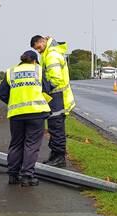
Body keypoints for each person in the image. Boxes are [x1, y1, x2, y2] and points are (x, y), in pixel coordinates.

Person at [0, 50, 53, 187]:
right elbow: (47, 89)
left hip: (16, 113)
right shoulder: (38, 70)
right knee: (31, 145)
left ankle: (13, 175)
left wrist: (12, 102)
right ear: (34, 60)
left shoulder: (11, 72)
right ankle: (27, 176)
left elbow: (1, 92)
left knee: (16, 144)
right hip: (36, 113)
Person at [31, 35, 76, 168]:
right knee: (54, 127)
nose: (38, 51)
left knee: (56, 128)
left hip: (57, 98)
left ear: (43, 41)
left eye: (38, 47)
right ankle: (55, 155)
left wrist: (42, 89)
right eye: (36, 50)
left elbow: (55, 80)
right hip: (57, 97)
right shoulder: (49, 53)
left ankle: (59, 158)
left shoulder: (51, 56)